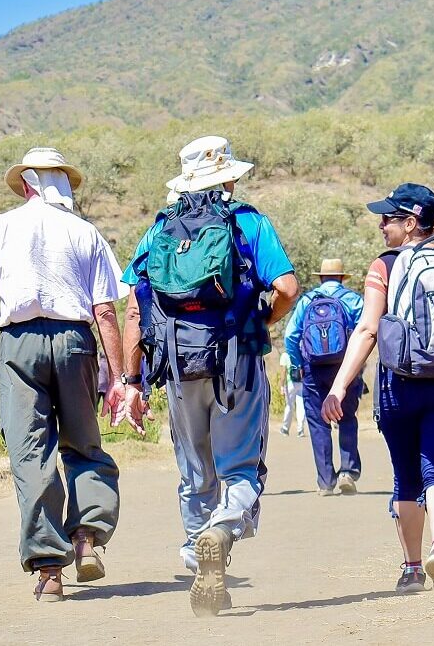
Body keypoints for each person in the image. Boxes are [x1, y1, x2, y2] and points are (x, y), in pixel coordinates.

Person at [114, 135, 299, 616]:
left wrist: (131, 380)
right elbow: (287, 287)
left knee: (196, 471)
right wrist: (262, 322)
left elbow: (135, 308)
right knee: (239, 466)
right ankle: (223, 530)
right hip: (237, 360)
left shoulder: (160, 229)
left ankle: (202, 562)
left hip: (178, 364)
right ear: (229, 178)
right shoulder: (247, 222)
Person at [0, 147, 131, 603]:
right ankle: (87, 538)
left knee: (31, 455)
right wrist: (118, 379)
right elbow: (106, 313)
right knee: (84, 445)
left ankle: (50, 569)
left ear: (25, 185)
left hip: (18, 345)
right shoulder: (85, 233)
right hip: (76, 342)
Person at [321, 183, 434, 596]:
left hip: (401, 385)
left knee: (406, 478)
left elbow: (367, 330)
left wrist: (339, 386)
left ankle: (413, 569)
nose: (382, 226)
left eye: (388, 218)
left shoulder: (384, 266)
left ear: (411, 223)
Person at [283, 258, 364, 495]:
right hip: (345, 369)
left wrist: (298, 364)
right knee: (347, 418)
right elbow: (366, 332)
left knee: (319, 423)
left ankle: (326, 481)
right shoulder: (352, 300)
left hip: (314, 370)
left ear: (320, 278)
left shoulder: (308, 300)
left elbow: (290, 336)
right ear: (341, 277)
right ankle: (348, 471)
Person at [278, 350, 305, 437]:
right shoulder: (298, 354)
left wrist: (282, 386)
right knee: (300, 406)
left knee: (289, 406)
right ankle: (300, 430)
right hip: (300, 383)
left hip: (290, 383)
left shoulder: (285, 355)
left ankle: (285, 428)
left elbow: (283, 372)